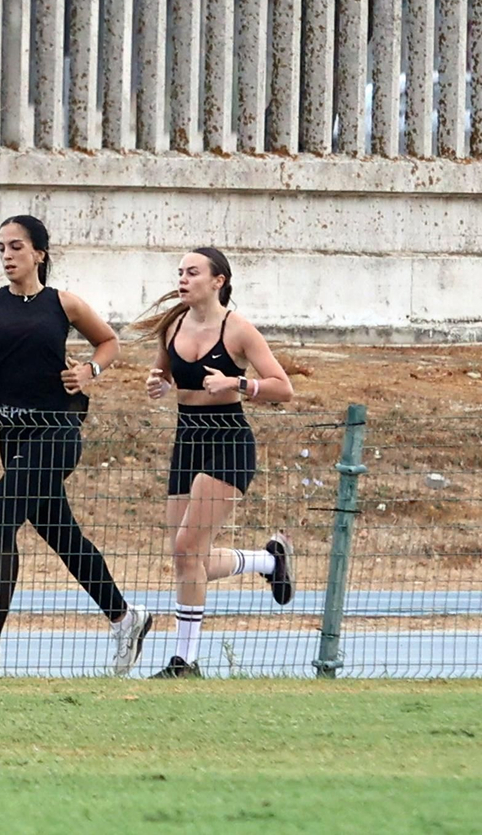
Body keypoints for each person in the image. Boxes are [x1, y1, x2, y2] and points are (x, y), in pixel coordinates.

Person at [0, 214, 153, 677]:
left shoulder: (64, 304)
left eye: (16, 247)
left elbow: (109, 342)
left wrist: (90, 370)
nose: (7, 256)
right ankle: (126, 618)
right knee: (62, 535)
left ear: (39, 254)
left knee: (0, 514)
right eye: (2, 248)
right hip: (12, 433)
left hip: (58, 430)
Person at [136, 247, 296, 679]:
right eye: (180, 273)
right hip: (186, 437)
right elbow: (163, 373)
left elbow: (284, 388)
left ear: (218, 281)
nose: (183, 279)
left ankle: (184, 662)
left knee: (189, 549)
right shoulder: (171, 324)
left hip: (227, 438)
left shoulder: (238, 330)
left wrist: (237, 382)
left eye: (193, 272)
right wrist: (159, 384)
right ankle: (267, 561)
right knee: (187, 556)